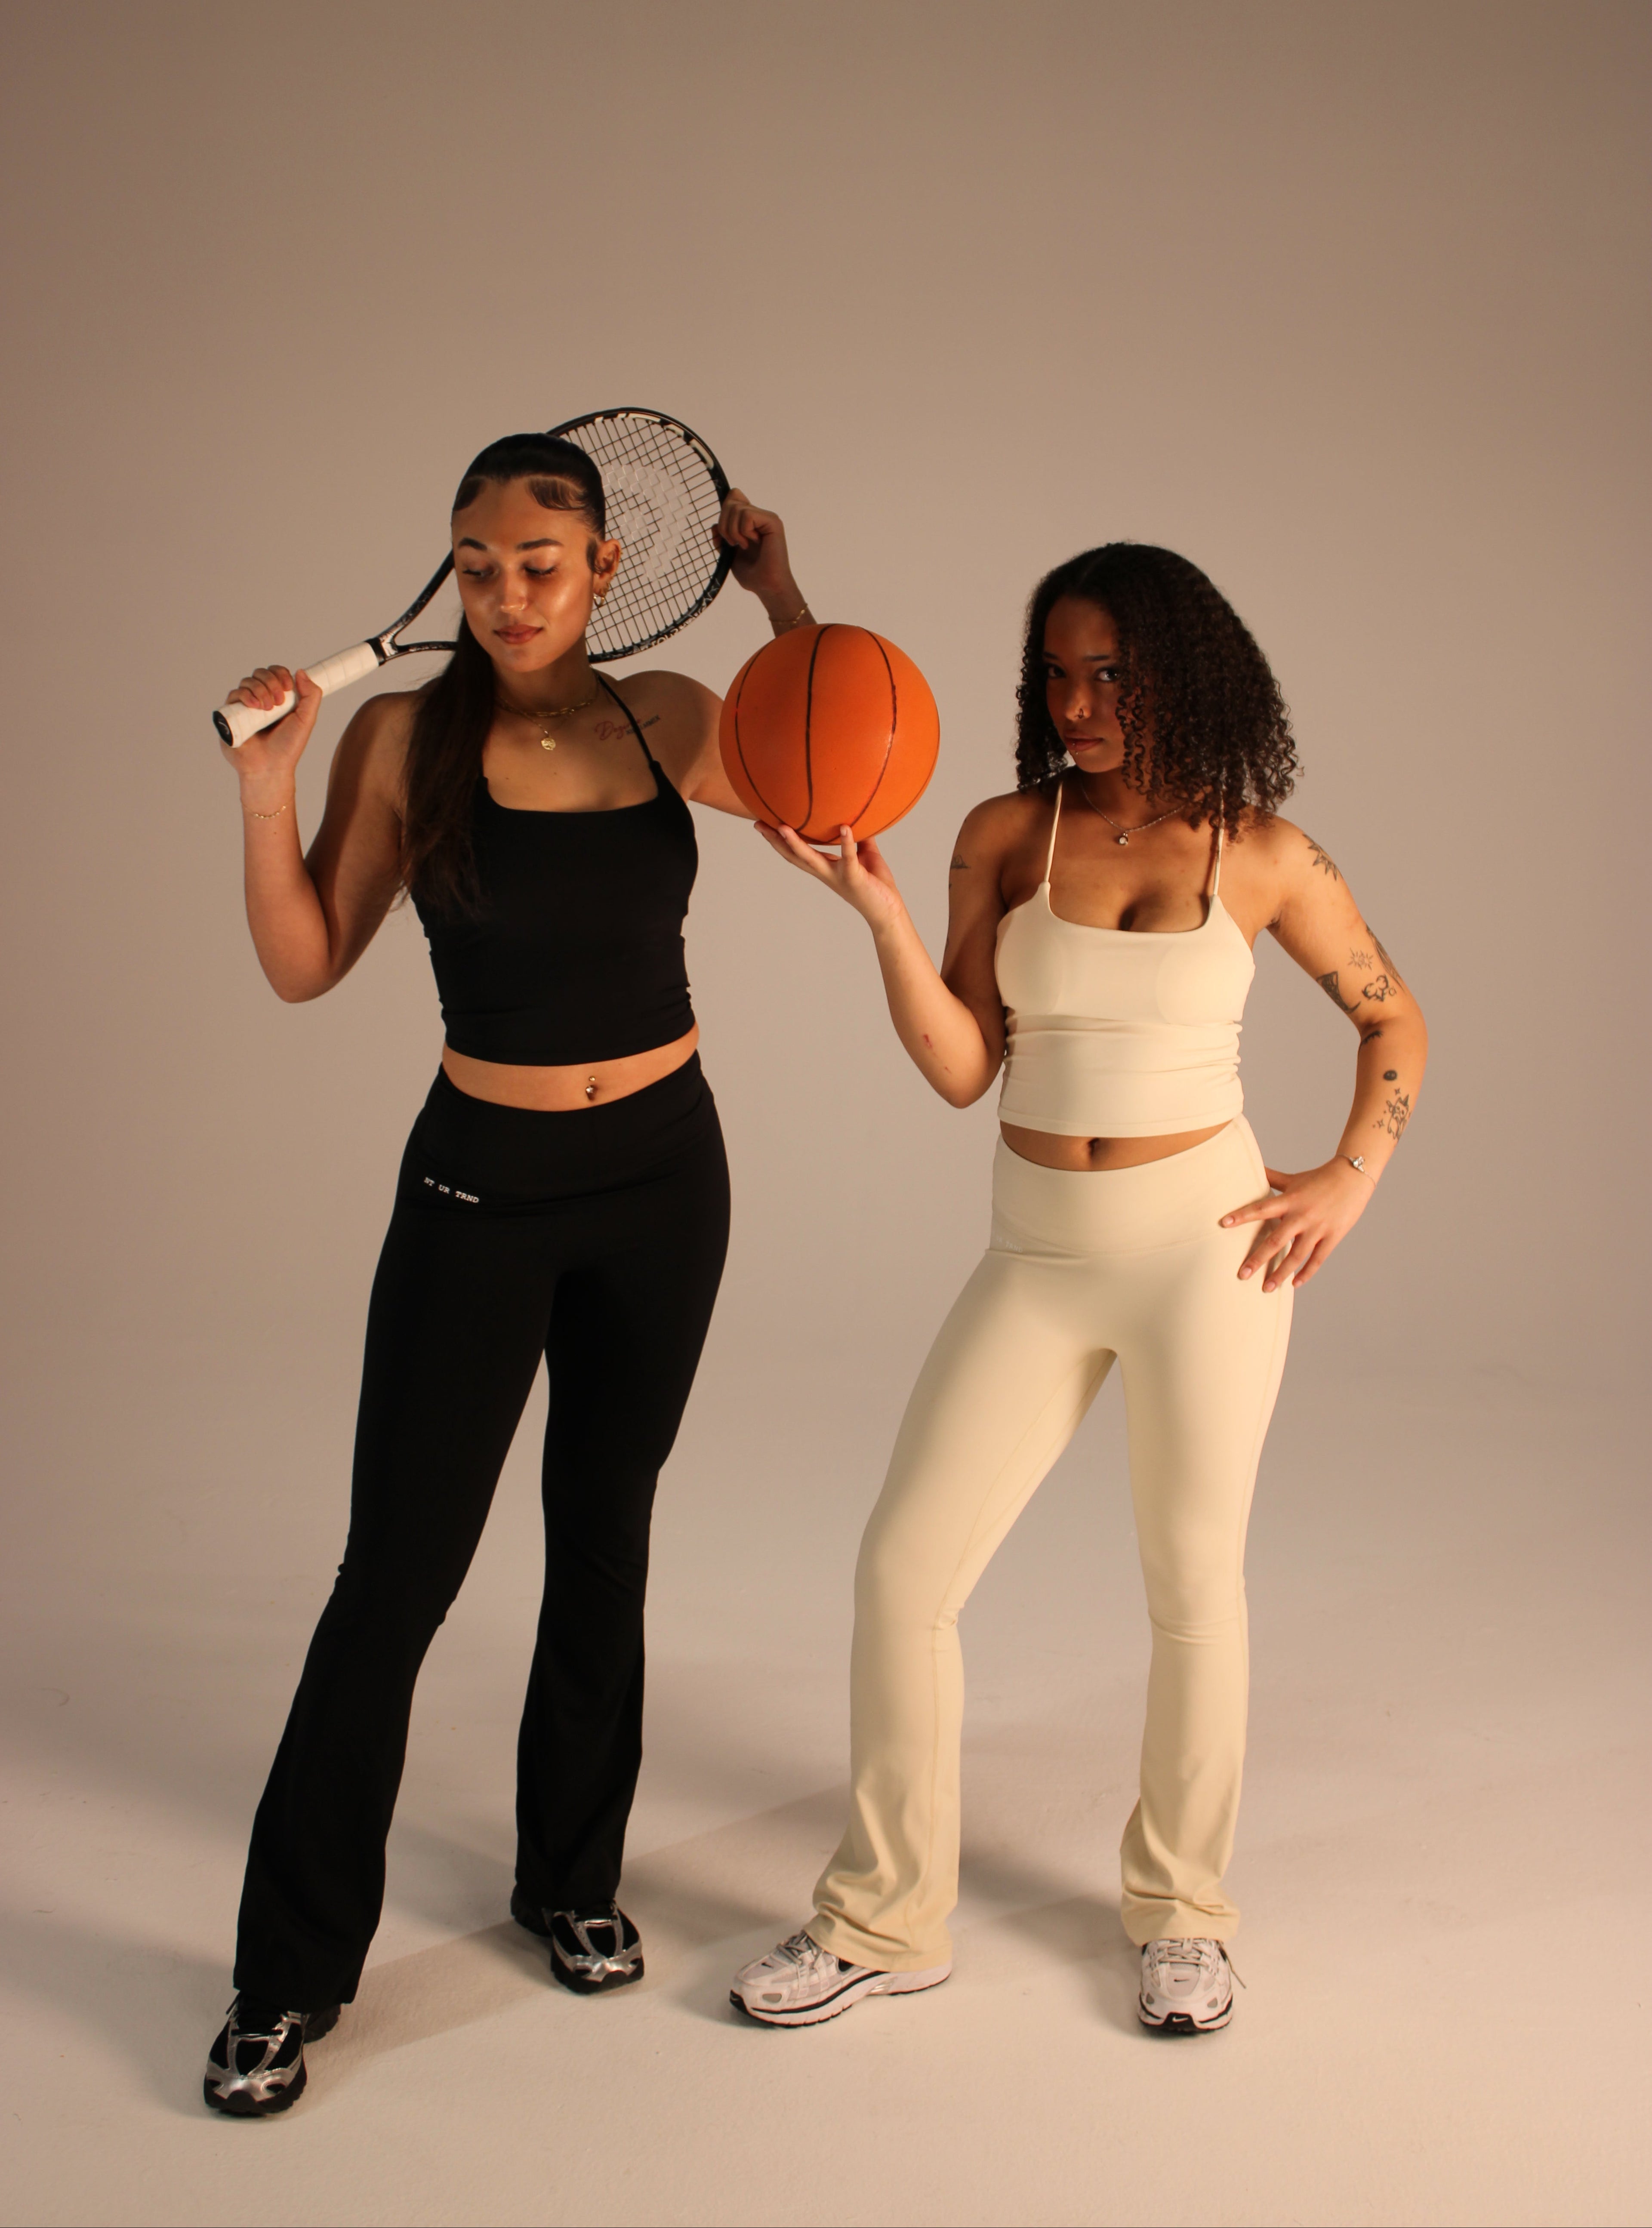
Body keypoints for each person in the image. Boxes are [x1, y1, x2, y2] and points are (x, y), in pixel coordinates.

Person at [730, 542, 1427, 2033]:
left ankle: (1184, 1912)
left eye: (1111, 669)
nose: (1079, 698)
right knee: (903, 1573)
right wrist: (885, 922)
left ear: (1186, 673)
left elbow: (1396, 1024)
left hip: (1207, 1253)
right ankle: (885, 1915)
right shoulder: (1004, 831)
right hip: (1037, 1248)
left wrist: (1347, 1179)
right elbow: (963, 1070)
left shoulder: (1265, 853)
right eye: (1057, 669)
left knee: (1190, 1585)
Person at [204, 433, 811, 2114]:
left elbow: (830, 773)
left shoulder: (670, 713)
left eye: (539, 563)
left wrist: (780, 596)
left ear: (607, 569)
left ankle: (569, 1875)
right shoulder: (405, 735)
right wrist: (267, 785)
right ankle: (285, 1975)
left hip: (666, 1180)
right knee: (394, 1578)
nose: (504, 593)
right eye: (475, 563)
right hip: (482, 1189)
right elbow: (307, 961)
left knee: (603, 1533)